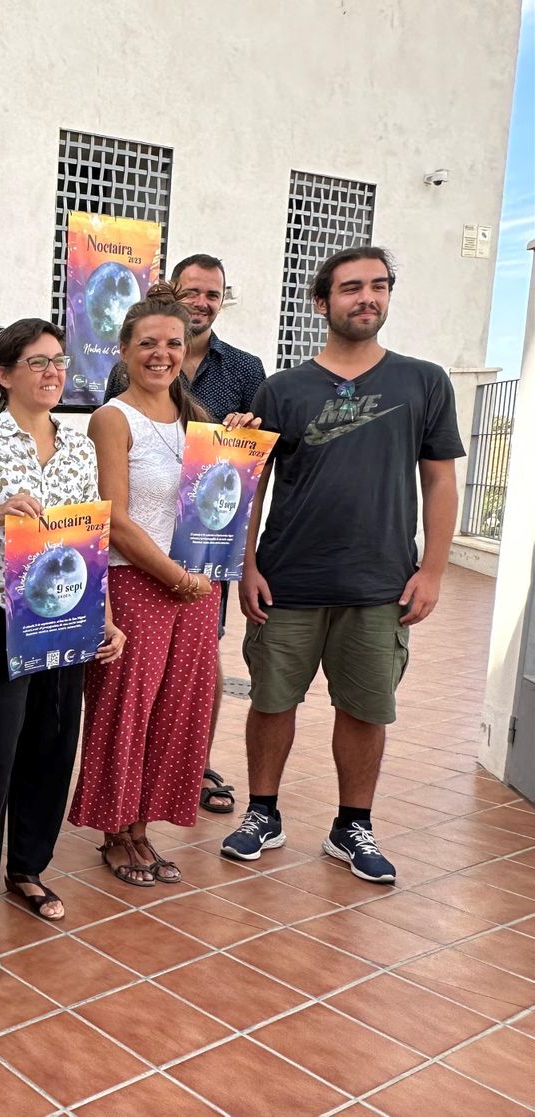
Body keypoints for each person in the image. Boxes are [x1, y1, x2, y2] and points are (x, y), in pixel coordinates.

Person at [223, 246, 462, 884]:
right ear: (322, 302)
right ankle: (262, 813)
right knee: (272, 702)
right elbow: (253, 486)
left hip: (380, 582)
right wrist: (245, 564)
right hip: (288, 578)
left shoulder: (423, 381)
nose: (368, 298)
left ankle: (351, 825)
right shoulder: (282, 390)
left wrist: (432, 569)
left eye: (379, 286)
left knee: (366, 708)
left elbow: (440, 482)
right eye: (352, 288)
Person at [0, 319, 124, 928]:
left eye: (58, 361)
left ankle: (28, 869)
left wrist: (105, 619)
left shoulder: (80, 450)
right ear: (4, 374)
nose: (51, 372)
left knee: (51, 746)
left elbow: (93, 540)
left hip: (65, 617)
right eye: (36, 362)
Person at [69, 284, 251, 886]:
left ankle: (143, 826)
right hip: (138, 584)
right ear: (123, 350)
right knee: (126, 710)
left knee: (179, 710)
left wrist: (242, 445)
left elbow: (221, 499)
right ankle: (114, 831)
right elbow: (115, 519)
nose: (161, 353)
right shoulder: (111, 418)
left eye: (172, 343)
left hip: (196, 587)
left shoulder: (199, 421)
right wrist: (174, 576)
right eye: (147, 343)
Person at [168, 255, 268, 815]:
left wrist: (247, 434)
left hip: (209, 543)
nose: (202, 303)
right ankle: (147, 759)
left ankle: (194, 764)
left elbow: (256, 467)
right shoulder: (136, 357)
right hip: (148, 538)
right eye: (192, 292)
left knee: (203, 661)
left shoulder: (247, 371)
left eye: (213, 294)